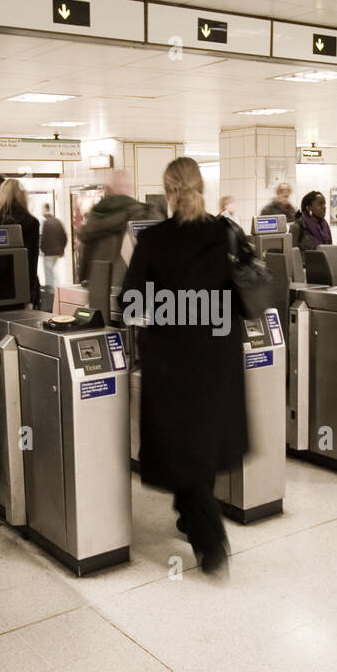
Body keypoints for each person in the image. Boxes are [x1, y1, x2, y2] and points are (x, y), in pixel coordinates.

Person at [122, 157, 248, 578]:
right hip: (217, 359)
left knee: (182, 446)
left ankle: (210, 542)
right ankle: (188, 514)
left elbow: (132, 303)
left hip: (174, 361)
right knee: (202, 443)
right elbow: (241, 296)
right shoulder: (225, 232)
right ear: (201, 187)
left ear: (168, 191)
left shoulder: (155, 240)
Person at [76, 169, 154, 284]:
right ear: (129, 188)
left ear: (108, 189)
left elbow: (84, 265)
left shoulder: (95, 218)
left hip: (100, 290)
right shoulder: (143, 216)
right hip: (133, 292)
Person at [0, 178, 41, 306]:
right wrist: (30, 296)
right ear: (22, 196)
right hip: (20, 287)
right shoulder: (30, 222)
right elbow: (31, 261)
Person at [39, 203, 67, 293]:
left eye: (42, 209)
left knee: (48, 273)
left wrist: (42, 250)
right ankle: (59, 289)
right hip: (57, 252)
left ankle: (51, 293)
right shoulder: (57, 221)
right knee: (53, 270)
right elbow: (64, 236)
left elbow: (44, 239)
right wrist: (62, 249)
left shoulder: (46, 223)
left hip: (49, 253)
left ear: (46, 209)